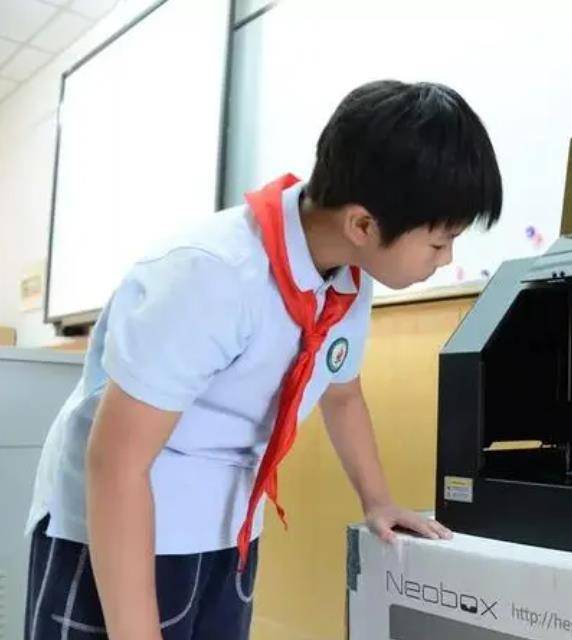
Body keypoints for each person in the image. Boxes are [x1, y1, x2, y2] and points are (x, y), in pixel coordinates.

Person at [24, 79, 502, 640]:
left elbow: (342, 392)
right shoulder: (212, 274)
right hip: (118, 523)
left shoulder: (348, 278)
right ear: (363, 224)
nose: (445, 259)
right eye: (439, 243)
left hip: (229, 525)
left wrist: (378, 501)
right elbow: (117, 464)